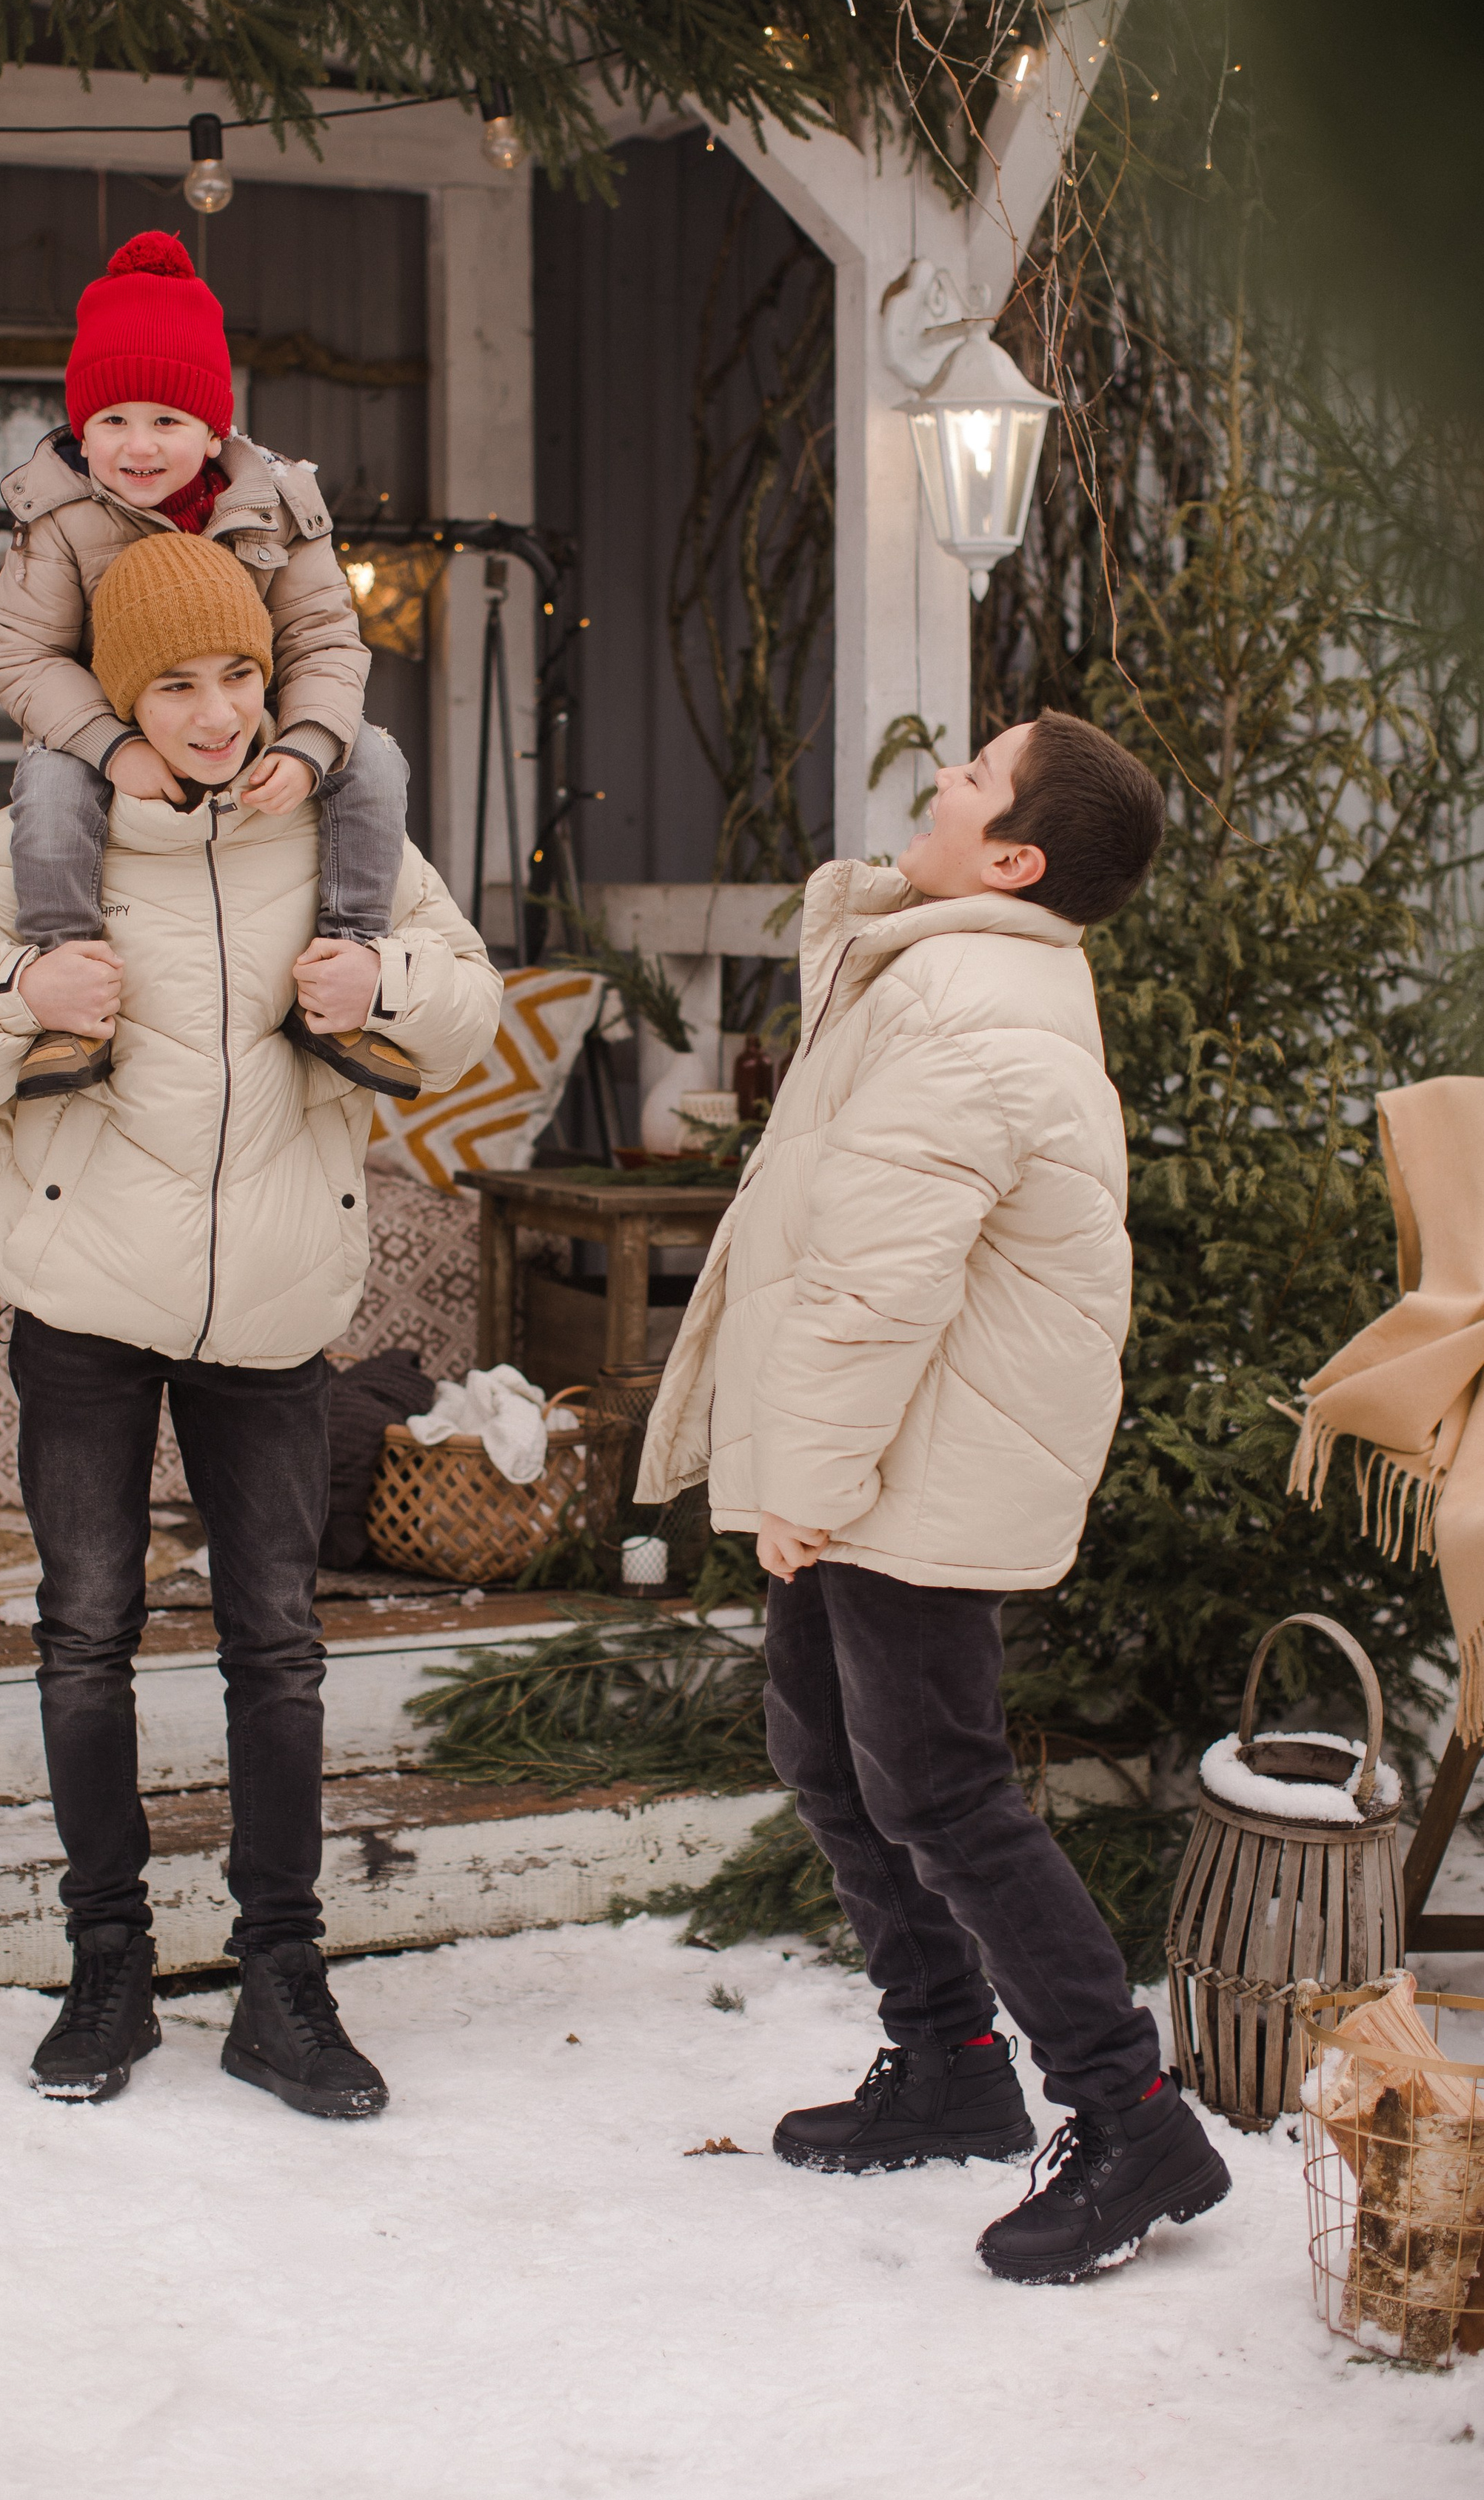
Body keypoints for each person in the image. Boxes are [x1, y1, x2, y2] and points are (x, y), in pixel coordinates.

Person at [0, 530, 502, 2113]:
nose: (219, 711)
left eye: (240, 672)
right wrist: (23, 1001)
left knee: (276, 1643)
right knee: (87, 1632)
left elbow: (467, 1001)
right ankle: (108, 1968)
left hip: (275, 1303)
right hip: (86, 1298)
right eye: (178, 682)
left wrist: (378, 977)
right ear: (117, 695)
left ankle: (281, 1982)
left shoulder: (330, 829)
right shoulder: (39, 844)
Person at [638, 710, 1233, 2286]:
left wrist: (810, 1484)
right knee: (826, 1749)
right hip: (879, 1447)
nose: (939, 782)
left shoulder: (971, 1008)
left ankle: (1130, 2118)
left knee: (939, 1788)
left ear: (1013, 857)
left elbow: (877, 1281)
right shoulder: (934, 970)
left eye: (971, 777)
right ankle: (949, 2060)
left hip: (912, 1457)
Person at [0, 228, 421, 1106]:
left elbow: (323, 638)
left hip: (244, 727)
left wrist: (302, 745)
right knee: (47, 785)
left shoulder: (274, 504)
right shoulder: (64, 515)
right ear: (83, 425)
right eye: (112, 420)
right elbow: (25, 652)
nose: (137, 446)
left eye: (166, 421)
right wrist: (113, 749)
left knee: (371, 756)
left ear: (211, 425)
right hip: (109, 727)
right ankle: (68, 992)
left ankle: (347, 966)